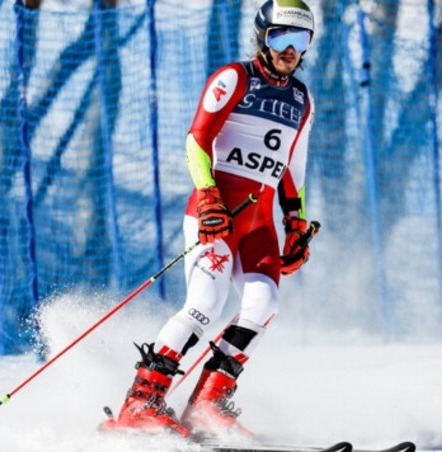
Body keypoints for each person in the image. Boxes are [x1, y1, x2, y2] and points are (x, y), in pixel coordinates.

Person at [106, 0, 317, 441]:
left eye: (300, 40)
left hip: (259, 222)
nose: (290, 50)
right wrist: (207, 197)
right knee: (204, 306)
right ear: (262, 36)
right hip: (217, 214)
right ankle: (141, 402)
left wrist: (295, 222)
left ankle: (206, 405)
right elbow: (197, 139)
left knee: (264, 305)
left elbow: (292, 167)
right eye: (281, 37)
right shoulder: (235, 78)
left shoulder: (302, 100)